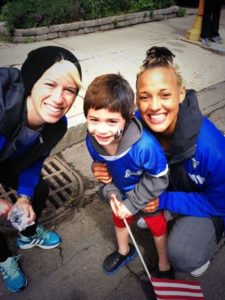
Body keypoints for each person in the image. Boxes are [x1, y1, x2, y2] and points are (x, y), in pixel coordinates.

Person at [92, 46, 225, 278]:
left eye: (165, 95)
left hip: (210, 204)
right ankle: (164, 214)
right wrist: (101, 168)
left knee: (184, 255)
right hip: (166, 190)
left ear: (181, 93)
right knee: (116, 197)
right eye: (145, 97)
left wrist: (161, 200)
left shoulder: (212, 149)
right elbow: (110, 150)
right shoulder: (134, 126)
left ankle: (194, 241)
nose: (154, 106)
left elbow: (219, 204)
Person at [0, 45, 82, 292]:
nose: (59, 99)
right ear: (31, 83)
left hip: (7, 160)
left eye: (70, 90)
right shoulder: (2, 112)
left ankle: (28, 234)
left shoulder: (56, 125)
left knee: (39, 188)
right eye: (50, 84)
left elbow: (36, 159)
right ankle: (4, 259)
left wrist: (24, 197)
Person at [83, 73, 174, 278]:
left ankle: (164, 264)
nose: (102, 129)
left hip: (145, 194)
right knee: (120, 218)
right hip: (121, 191)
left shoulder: (144, 147)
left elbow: (159, 178)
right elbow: (104, 172)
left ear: (129, 117)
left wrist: (133, 203)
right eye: (94, 119)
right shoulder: (92, 140)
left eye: (112, 121)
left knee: (156, 224)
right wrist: (112, 193)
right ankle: (124, 251)